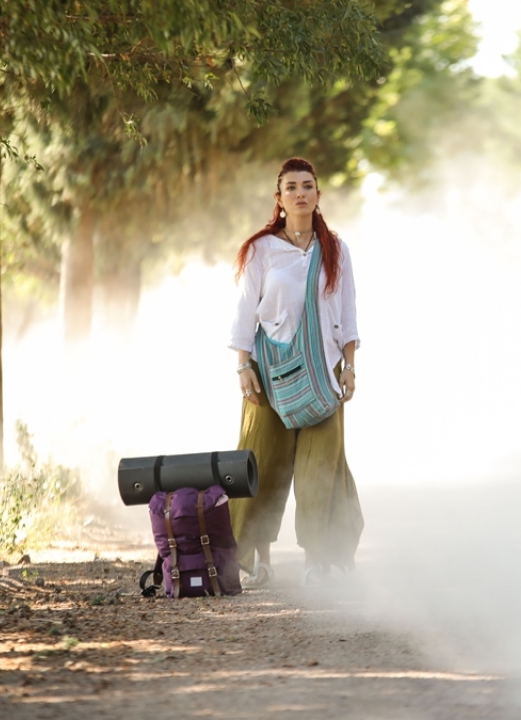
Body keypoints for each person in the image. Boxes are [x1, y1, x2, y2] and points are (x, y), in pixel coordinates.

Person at [228, 156, 364, 587]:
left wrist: (350, 367)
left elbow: (347, 312)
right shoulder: (261, 250)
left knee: (320, 468)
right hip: (268, 375)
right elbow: (244, 310)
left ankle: (317, 563)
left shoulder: (336, 250)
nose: (300, 193)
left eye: (308, 186)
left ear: (318, 195)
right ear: (279, 197)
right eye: (292, 187)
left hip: (324, 373)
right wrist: (242, 366)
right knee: (262, 461)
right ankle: (259, 561)